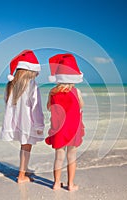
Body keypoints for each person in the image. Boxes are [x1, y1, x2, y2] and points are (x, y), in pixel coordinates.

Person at [0, 50, 44, 183]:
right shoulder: (31, 85)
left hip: (16, 122)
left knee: (23, 146)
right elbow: (37, 107)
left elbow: (7, 104)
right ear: (30, 71)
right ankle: (21, 176)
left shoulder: (11, 84)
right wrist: (39, 125)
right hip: (28, 122)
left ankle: (23, 170)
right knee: (27, 147)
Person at [45, 53, 85, 191]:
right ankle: (70, 184)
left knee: (59, 157)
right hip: (73, 130)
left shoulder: (52, 92)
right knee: (71, 157)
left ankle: (56, 183)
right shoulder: (76, 91)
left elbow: (49, 107)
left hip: (58, 130)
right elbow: (81, 106)